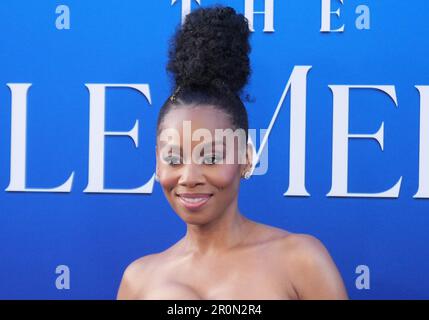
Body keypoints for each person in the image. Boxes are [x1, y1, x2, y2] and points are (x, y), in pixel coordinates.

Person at [117, 5, 348, 300]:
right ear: (157, 164)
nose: (189, 177)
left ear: (246, 157)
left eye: (211, 157)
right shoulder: (138, 279)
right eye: (174, 159)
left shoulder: (300, 260)